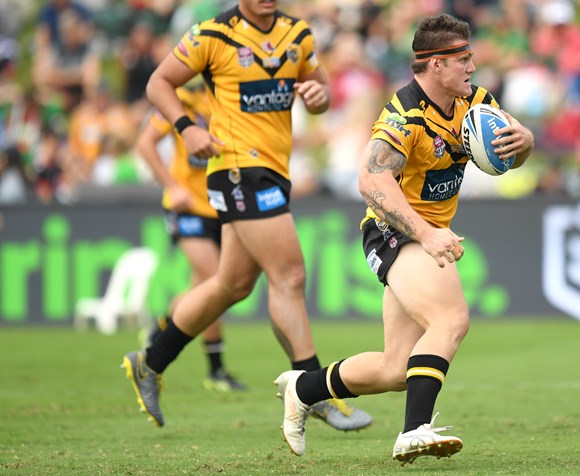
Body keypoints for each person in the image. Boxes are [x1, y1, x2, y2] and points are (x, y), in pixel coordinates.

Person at [274, 13, 534, 463]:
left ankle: (304, 388)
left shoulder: (476, 101)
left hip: (427, 233)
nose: (472, 67)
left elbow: (512, 155)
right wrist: (426, 233)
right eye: (463, 59)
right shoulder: (404, 116)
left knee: (396, 368)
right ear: (436, 64)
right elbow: (371, 181)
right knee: (451, 320)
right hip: (393, 231)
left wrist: (525, 141)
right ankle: (414, 431)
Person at [121, 0, 372, 432]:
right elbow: (158, 82)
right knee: (289, 275)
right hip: (238, 169)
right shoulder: (211, 35)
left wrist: (319, 96)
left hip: (274, 171)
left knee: (231, 284)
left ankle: (150, 362)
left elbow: (319, 92)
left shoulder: (298, 34)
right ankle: (313, 391)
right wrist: (187, 128)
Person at [135, 82, 245, 392]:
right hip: (187, 209)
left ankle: (160, 329)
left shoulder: (230, 96)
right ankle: (216, 369)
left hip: (222, 206)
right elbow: (145, 144)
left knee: (200, 288)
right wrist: (172, 186)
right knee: (214, 279)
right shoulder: (181, 100)